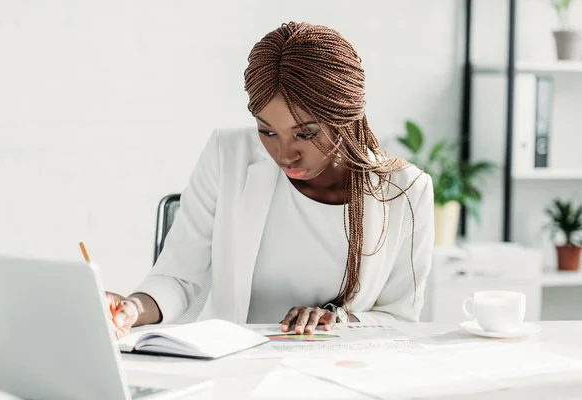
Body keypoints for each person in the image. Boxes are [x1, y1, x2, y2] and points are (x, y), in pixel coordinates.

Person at [106, 22, 434, 339]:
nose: (284, 154)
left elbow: (400, 317)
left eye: (305, 134)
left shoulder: (406, 191)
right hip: (236, 370)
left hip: (339, 371)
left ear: (344, 115)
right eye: (267, 131)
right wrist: (132, 308)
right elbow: (178, 278)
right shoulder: (227, 155)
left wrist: (337, 319)